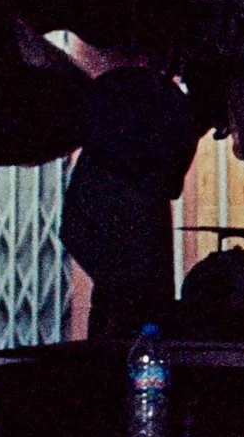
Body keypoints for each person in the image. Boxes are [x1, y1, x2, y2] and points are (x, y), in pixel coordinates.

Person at [60, 42, 202, 341]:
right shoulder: (166, 101)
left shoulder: (110, 101)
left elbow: (73, 231)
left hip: (122, 296)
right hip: (134, 296)